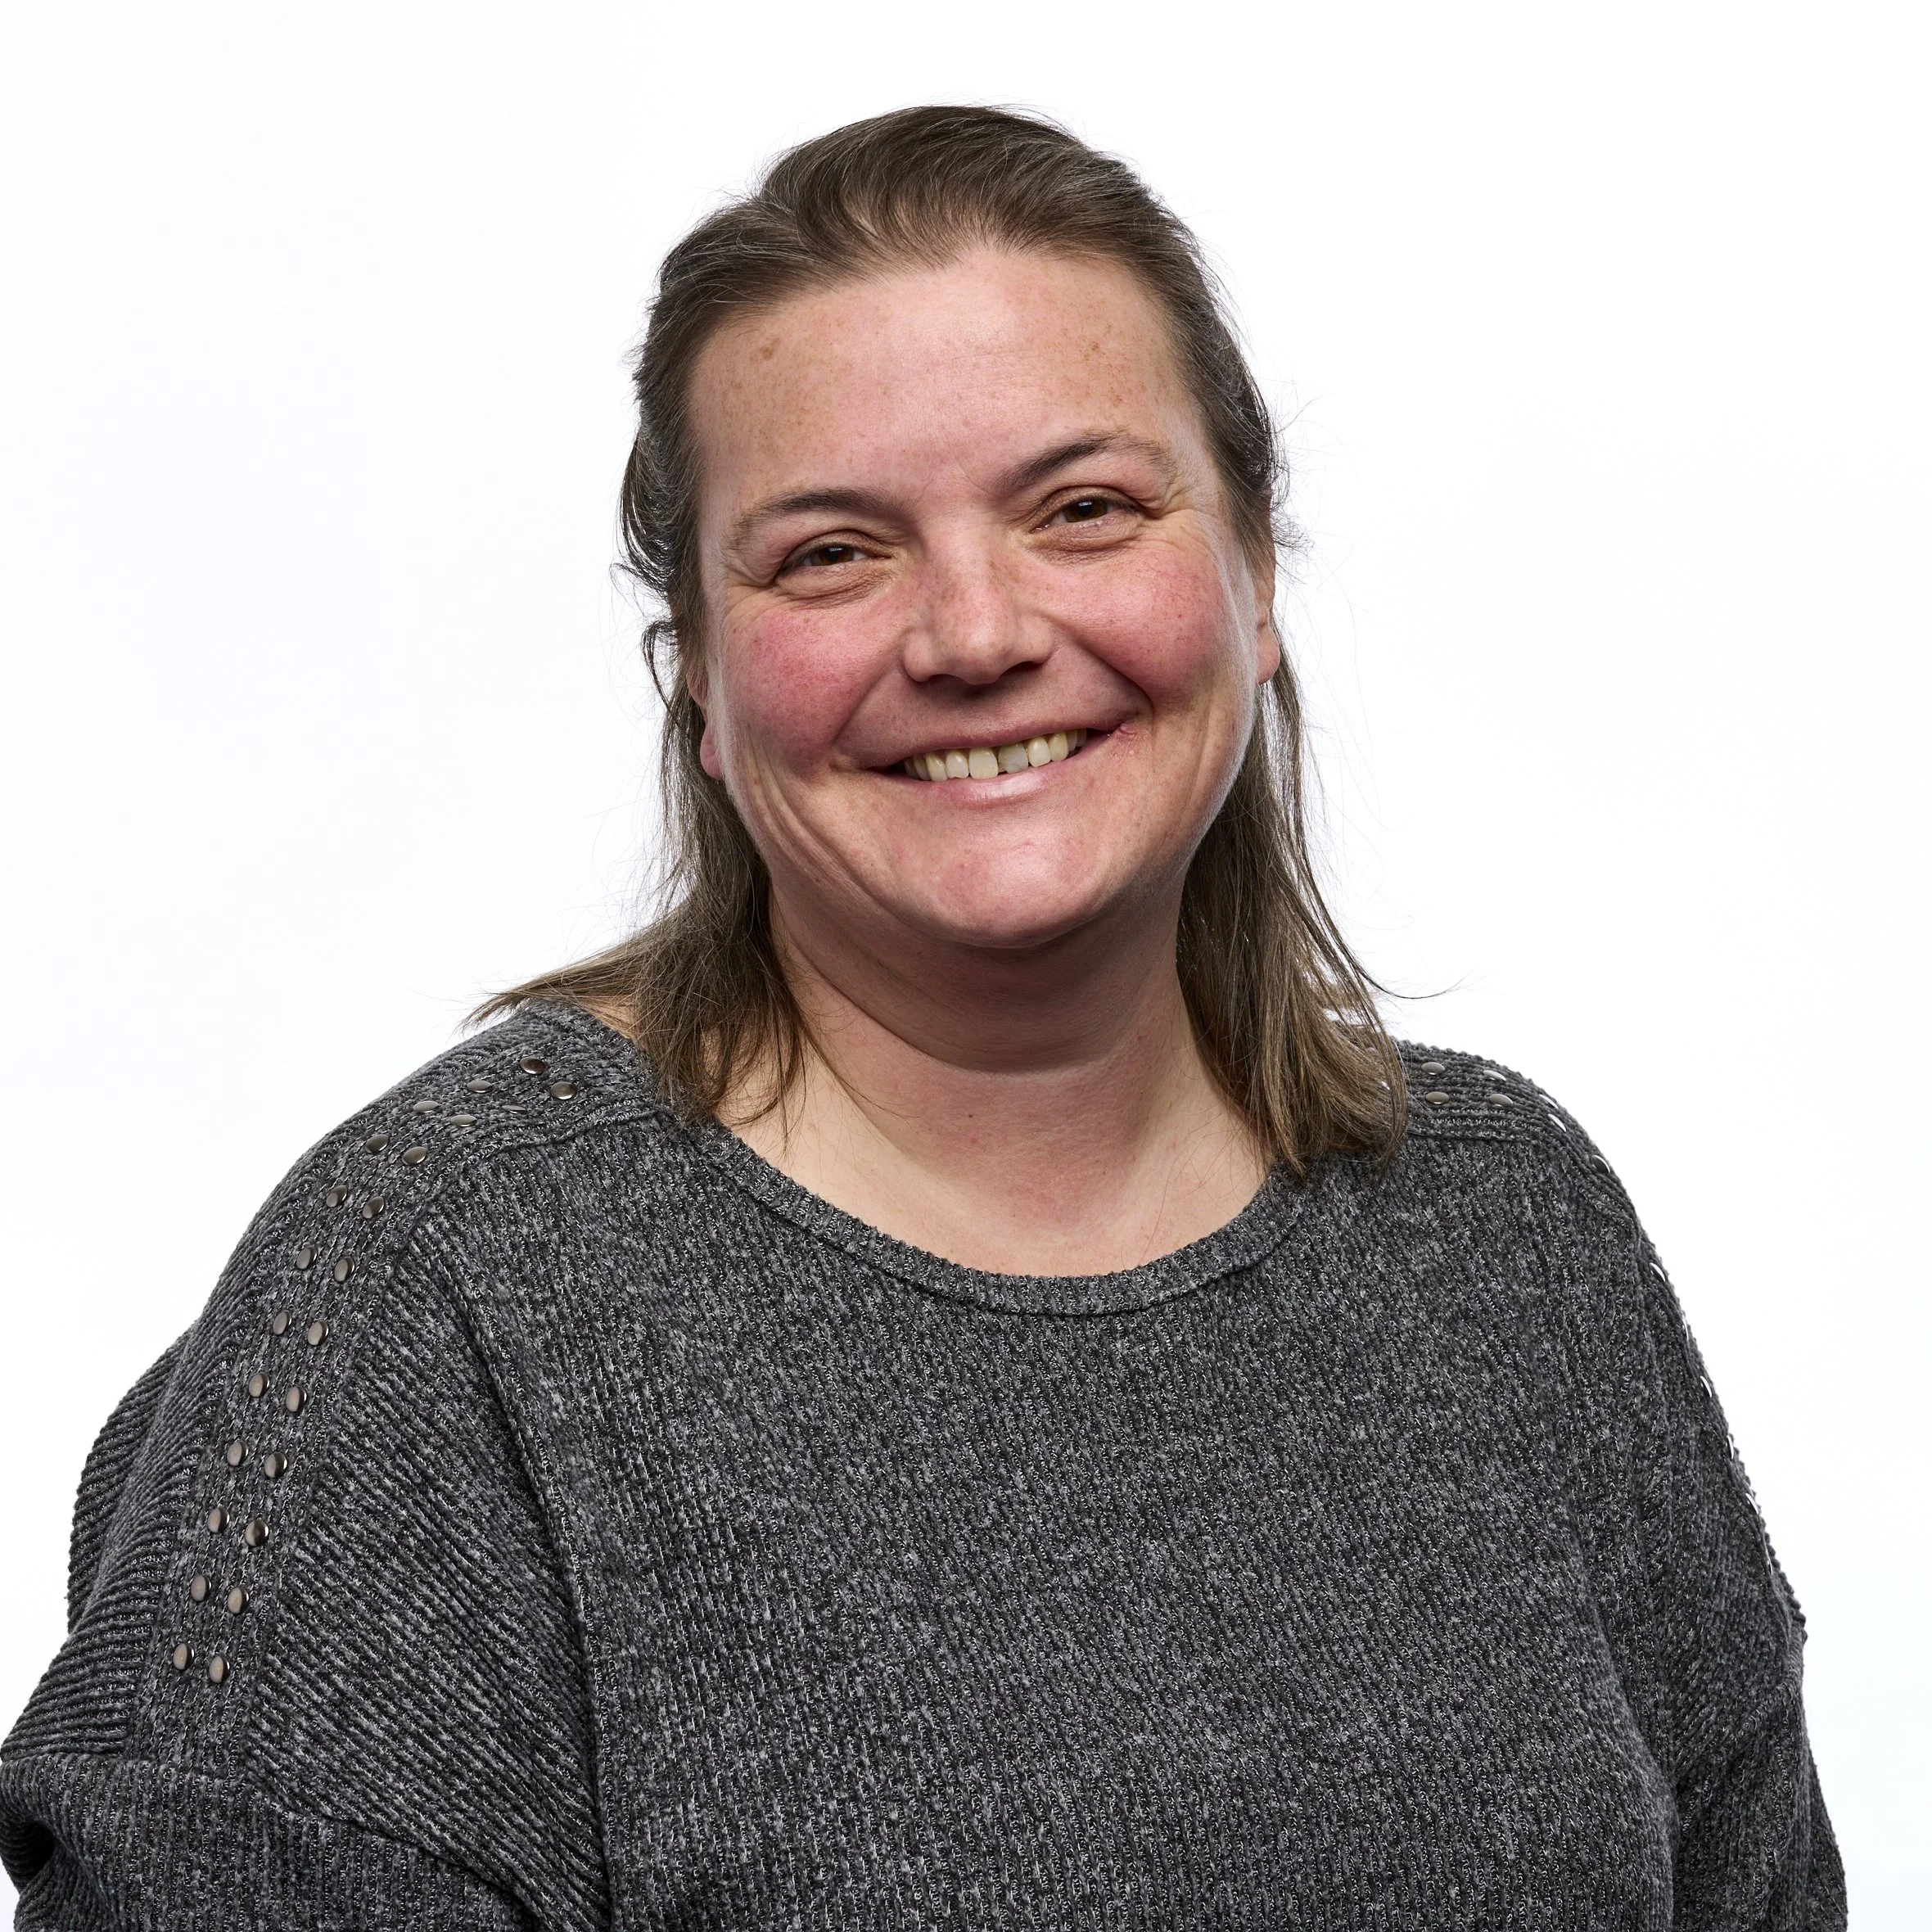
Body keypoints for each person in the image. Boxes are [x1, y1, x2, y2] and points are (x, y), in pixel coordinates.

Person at [0, 106, 1841, 1928]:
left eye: (1083, 509)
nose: (972, 631)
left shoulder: (1504, 1221)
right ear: (701, 684)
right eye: (830, 552)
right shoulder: (446, 1288)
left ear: (1254, 579)